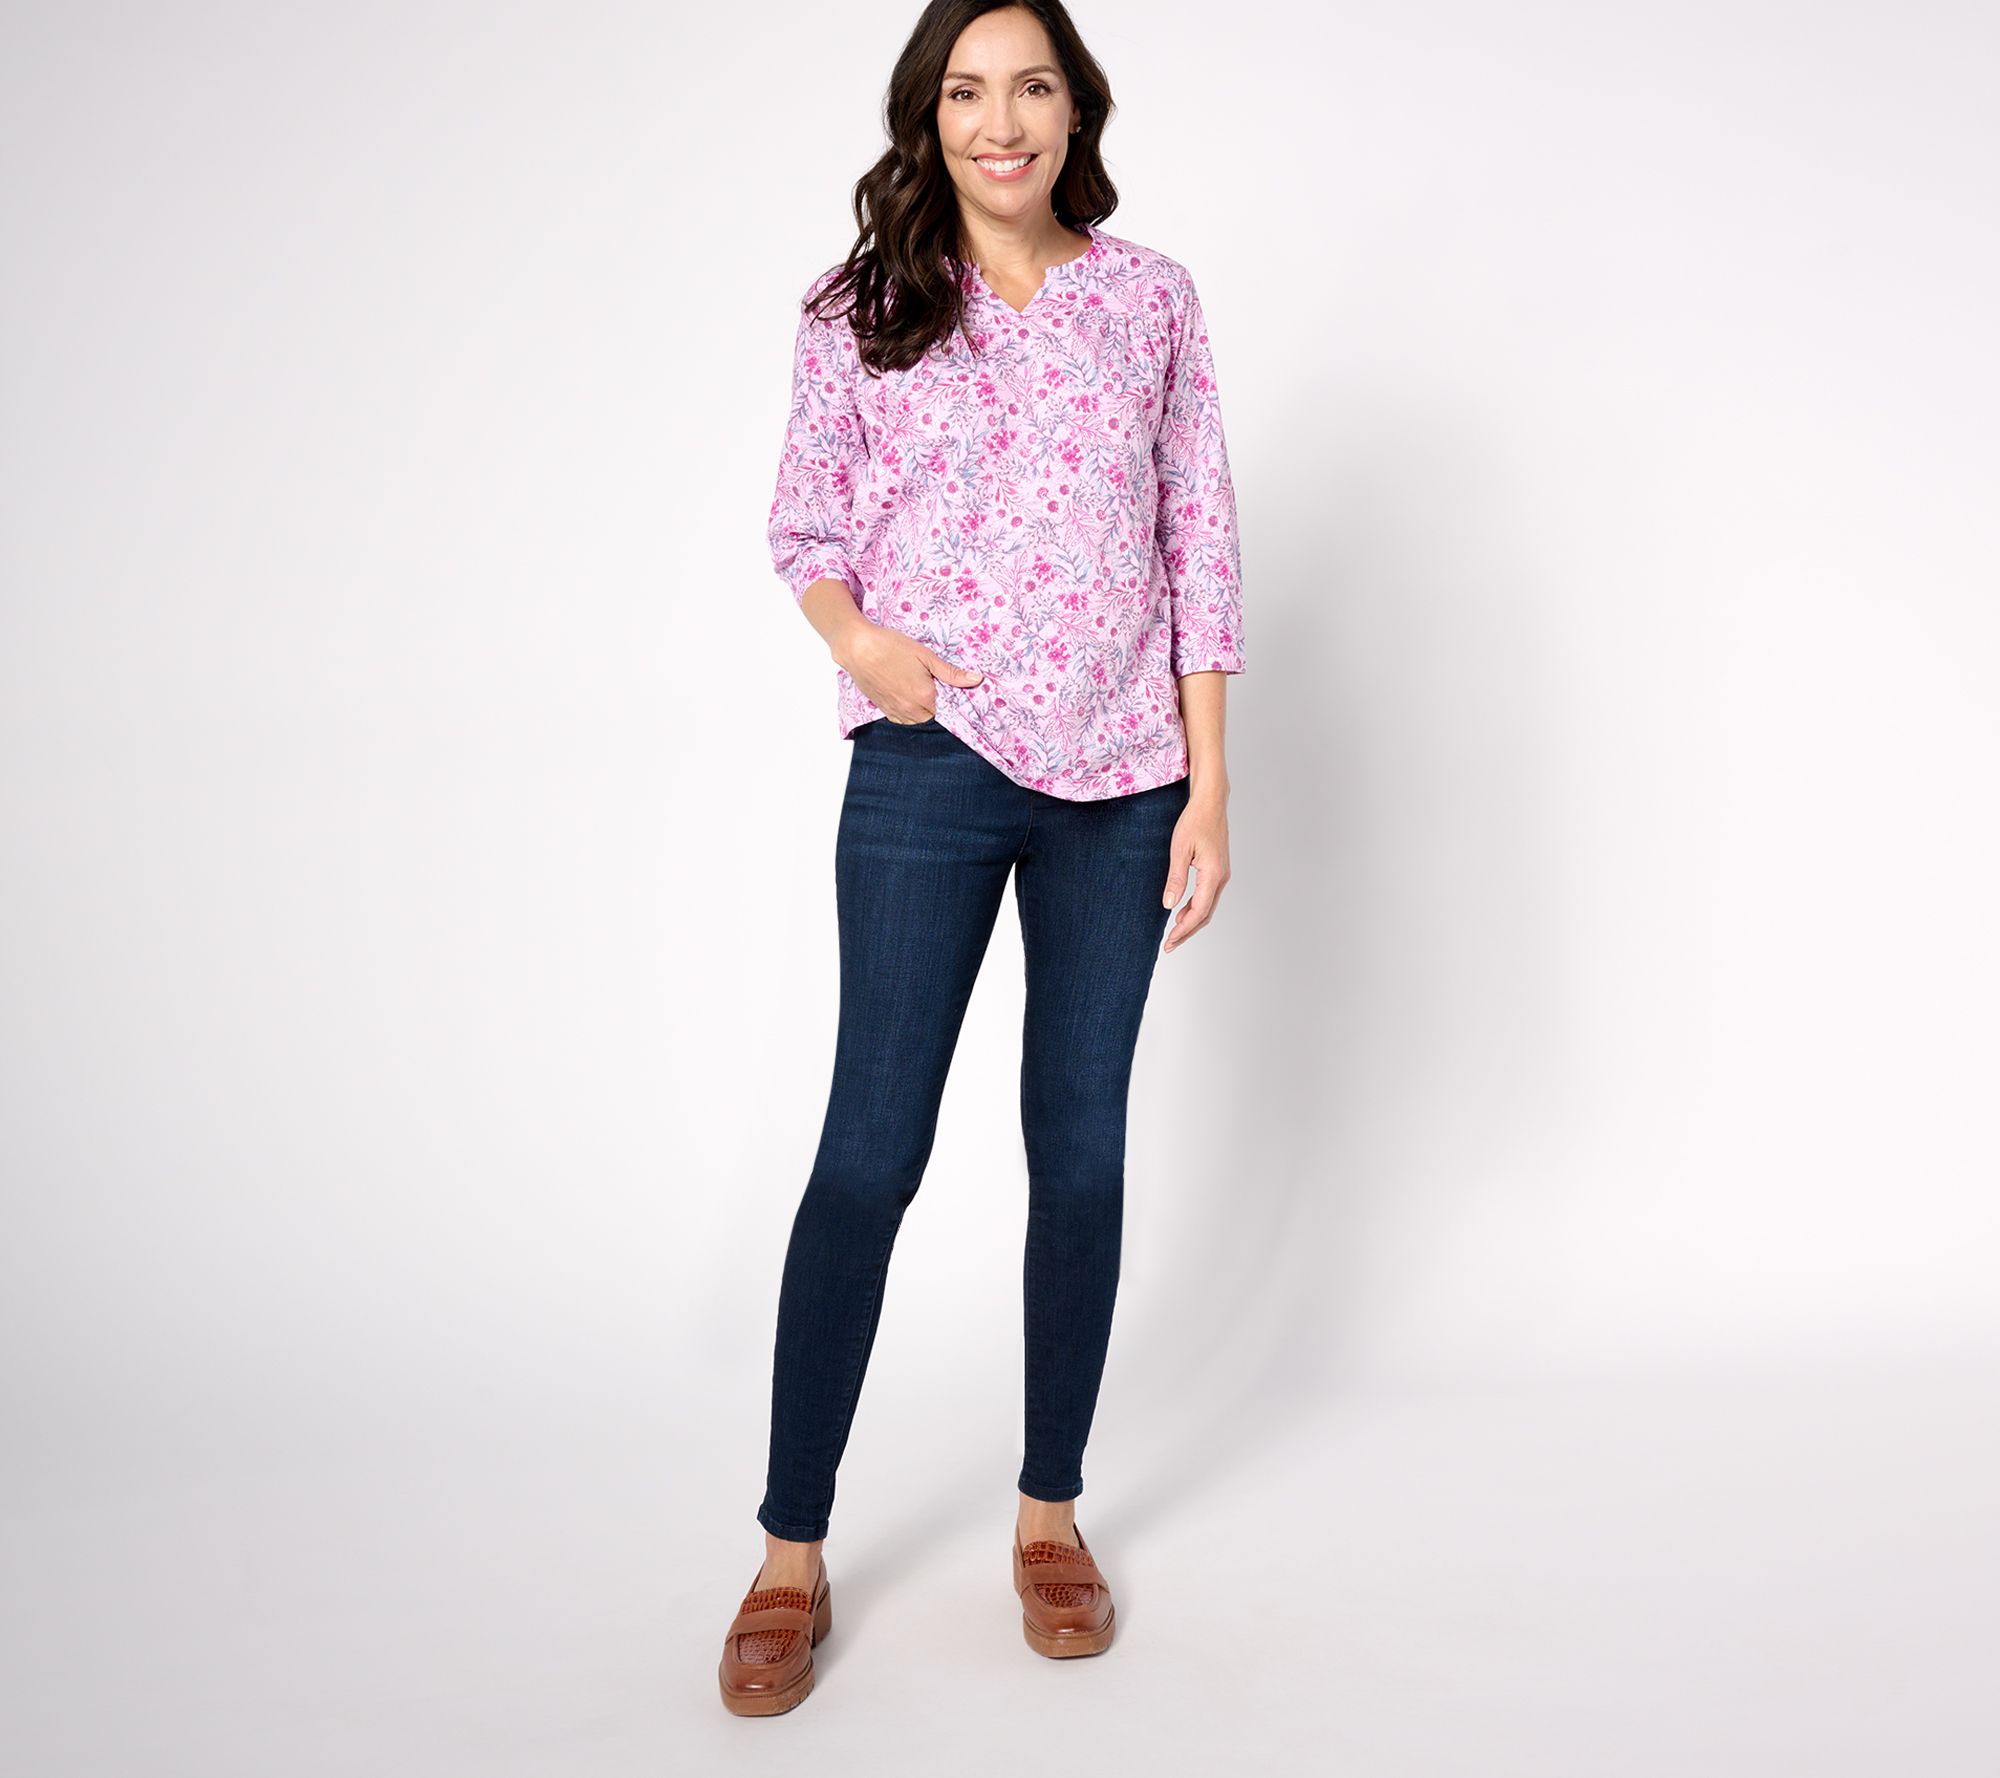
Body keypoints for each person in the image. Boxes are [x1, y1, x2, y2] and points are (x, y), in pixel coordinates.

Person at [719, 0, 1245, 1715]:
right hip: (928, 765)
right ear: (927, 114)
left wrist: (1210, 786)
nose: (999, 121)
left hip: (1123, 779)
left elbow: (1198, 537)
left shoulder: (1150, 299)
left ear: (1075, 108)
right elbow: (804, 523)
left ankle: (1050, 1515)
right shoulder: (859, 305)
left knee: (1078, 1154)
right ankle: (789, 1546)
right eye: (966, 90)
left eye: (1030, 87)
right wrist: (865, 649)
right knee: (870, 1150)